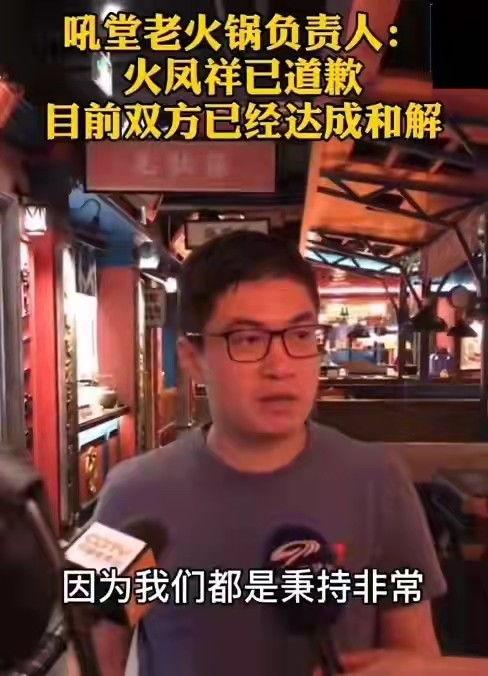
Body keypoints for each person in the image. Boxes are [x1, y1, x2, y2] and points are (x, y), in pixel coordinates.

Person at [87, 231, 447, 676]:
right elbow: (94, 661)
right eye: (247, 339)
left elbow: (419, 657)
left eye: (301, 334)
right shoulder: (131, 494)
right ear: (192, 358)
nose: (281, 366)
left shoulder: (378, 481)